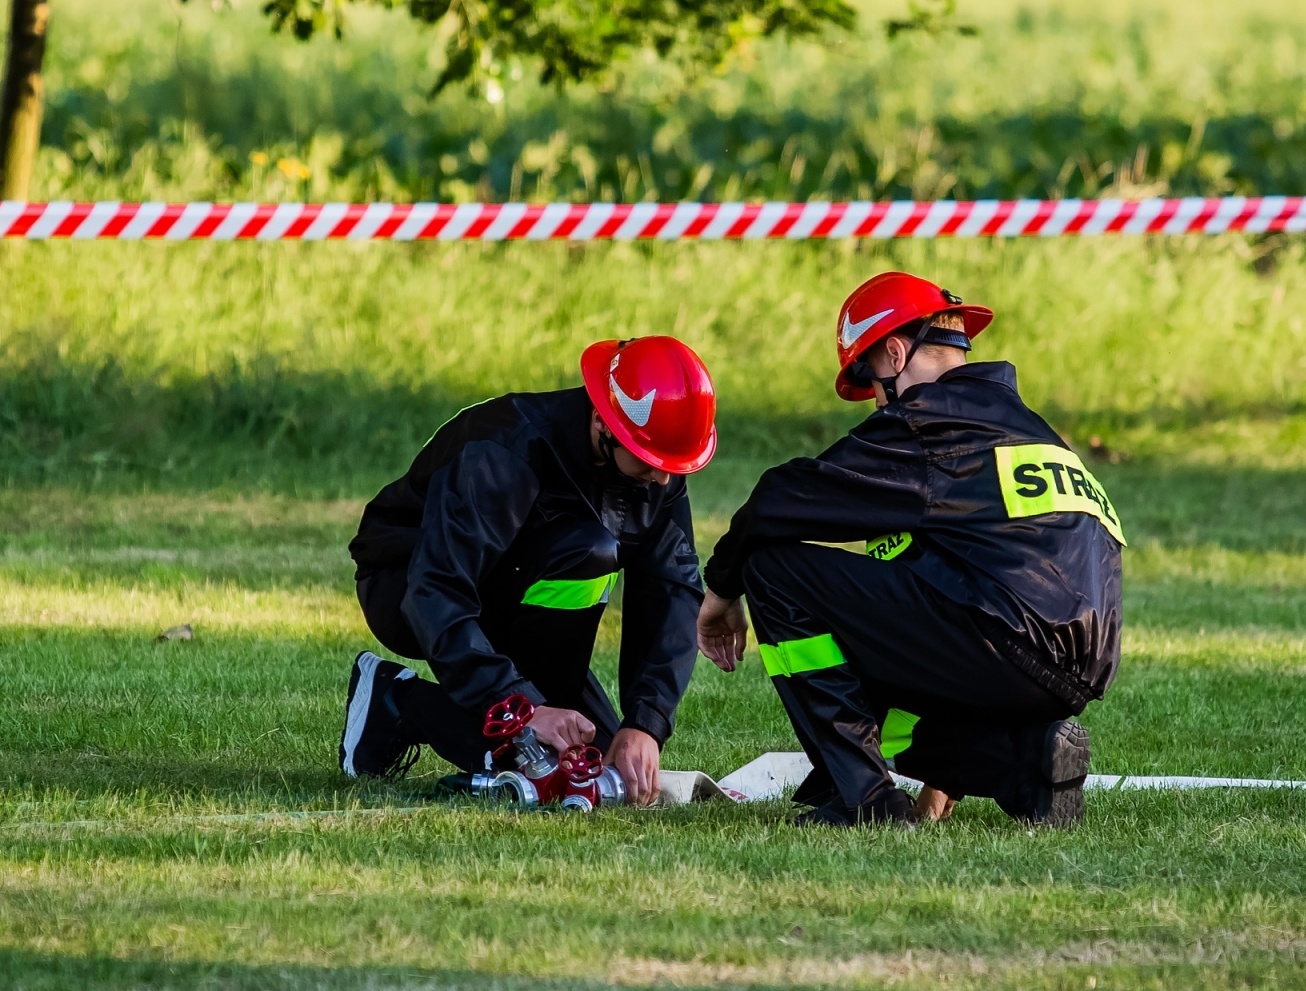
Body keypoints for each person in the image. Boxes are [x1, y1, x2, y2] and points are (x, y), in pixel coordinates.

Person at [696, 271, 1123, 828]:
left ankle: (864, 800)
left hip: (1001, 643)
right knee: (878, 626)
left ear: (896, 353)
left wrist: (721, 592)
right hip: (1073, 671)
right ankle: (1028, 762)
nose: (875, 404)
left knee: (774, 568)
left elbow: (780, 497)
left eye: (870, 381)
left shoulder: (927, 423)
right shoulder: (1038, 433)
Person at [340, 336, 717, 806]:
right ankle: (397, 703)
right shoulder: (504, 452)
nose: (663, 479)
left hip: (509, 590)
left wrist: (646, 722)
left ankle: (535, 707)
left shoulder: (652, 469)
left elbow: (673, 593)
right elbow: (436, 590)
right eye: (650, 461)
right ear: (604, 422)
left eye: (671, 465)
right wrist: (522, 706)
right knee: (589, 552)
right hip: (406, 585)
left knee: (591, 760)